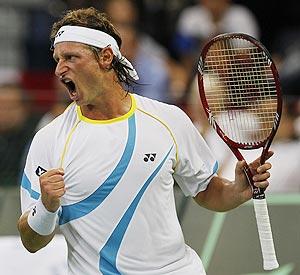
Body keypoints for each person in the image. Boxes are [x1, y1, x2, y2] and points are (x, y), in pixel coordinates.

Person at [17, 7, 273, 275]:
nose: (59, 69)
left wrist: (235, 190)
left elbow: (207, 190)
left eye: (71, 57)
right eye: (57, 59)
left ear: (105, 57)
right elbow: (31, 241)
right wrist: (46, 207)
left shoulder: (169, 119)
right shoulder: (49, 139)